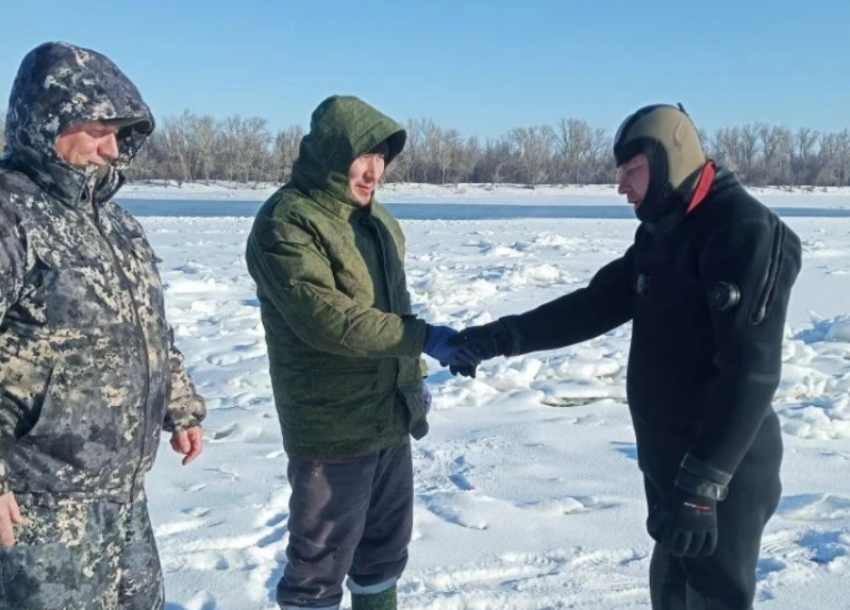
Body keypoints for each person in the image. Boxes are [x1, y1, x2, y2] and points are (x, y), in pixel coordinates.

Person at [448, 104, 802, 610]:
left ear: (668, 162)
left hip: (723, 472)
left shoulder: (742, 232)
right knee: (670, 591)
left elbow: (752, 373)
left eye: (631, 170)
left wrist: (704, 485)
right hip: (669, 464)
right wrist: (502, 336)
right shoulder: (666, 228)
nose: (620, 185)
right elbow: (598, 303)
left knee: (715, 597)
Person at [0, 42, 207, 609]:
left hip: (121, 495)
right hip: (39, 503)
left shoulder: (117, 225)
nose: (112, 149)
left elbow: (148, 325)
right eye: (97, 129)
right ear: (49, 120)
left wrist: (179, 405)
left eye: (121, 132)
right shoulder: (10, 214)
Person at [245, 94, 472, 610]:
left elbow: (396, 305)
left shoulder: (379, 223)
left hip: (390, 417)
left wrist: (411, 379)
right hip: (332, 427)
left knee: (384, 555)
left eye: (381, 159)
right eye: (362, 156)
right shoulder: (287, 223)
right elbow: (328, 320)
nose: (373, 172)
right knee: (318, 567)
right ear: (330, 153)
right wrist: (424, 339)